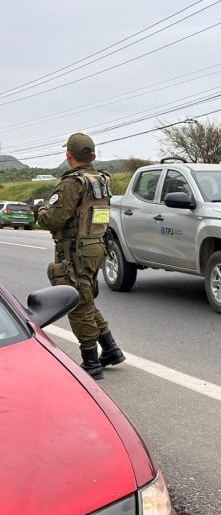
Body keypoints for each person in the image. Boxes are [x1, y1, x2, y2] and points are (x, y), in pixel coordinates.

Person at [37, 132, 126, 380]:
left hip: (75, 250)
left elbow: (54, 218)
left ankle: (91, 362)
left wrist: (42, 209)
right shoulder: (102, 178)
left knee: (77, 304)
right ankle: (110, 349)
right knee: (86, 299)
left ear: (68, 155)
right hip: (96, 245)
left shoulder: (71, 183)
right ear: (93, 156)